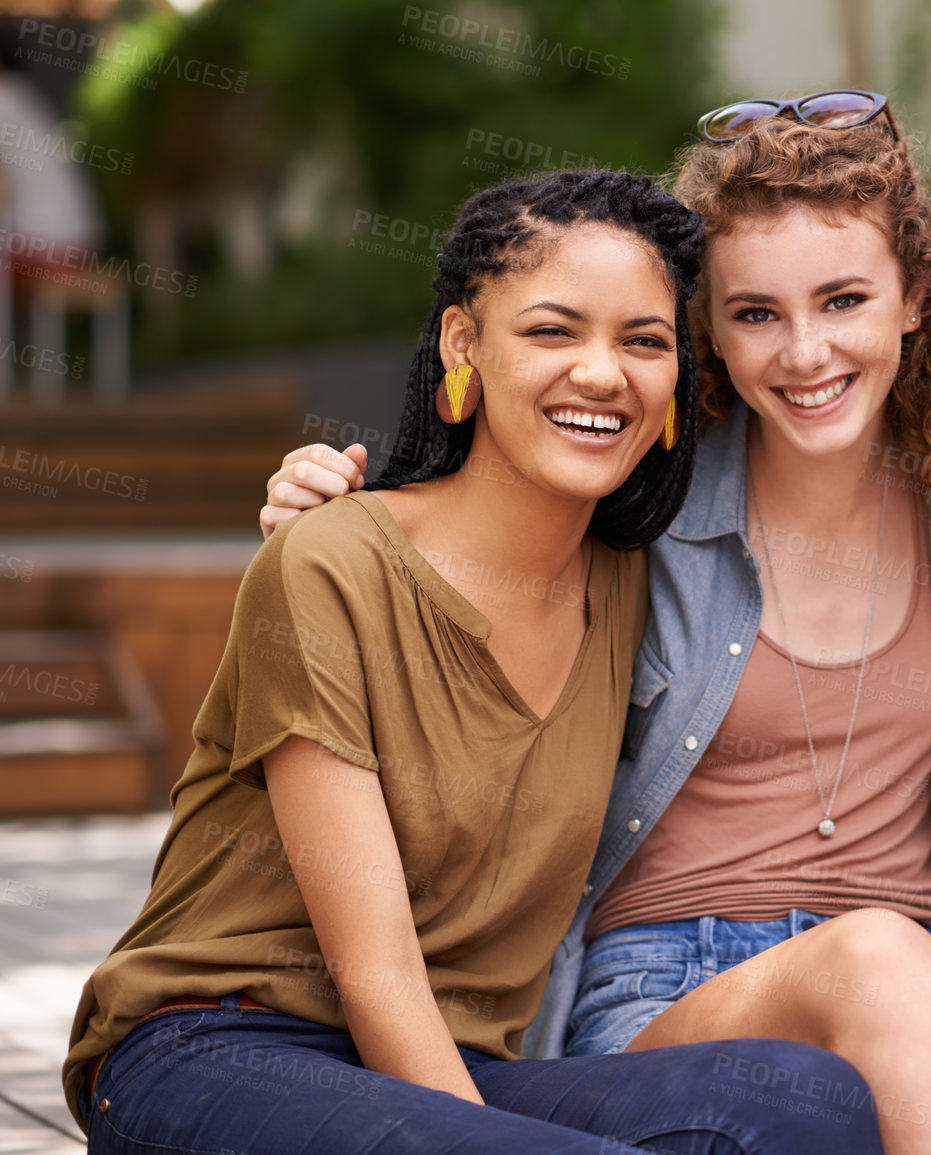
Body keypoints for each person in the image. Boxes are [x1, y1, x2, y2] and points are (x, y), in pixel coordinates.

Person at [258, 94, 931, 1155]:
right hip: (668, 983)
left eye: (845, 300)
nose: (805, 353)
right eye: (755, 312)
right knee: (879, 960)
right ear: (707, 327)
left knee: (894, 963)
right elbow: (446, 544)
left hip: (927, 998)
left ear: (912, 298)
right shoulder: (635, 507)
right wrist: (323, 503)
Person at [64, 168, 884, 1155]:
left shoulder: (631, 581)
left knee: (809, 1099)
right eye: (552, 331)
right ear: (465, 345)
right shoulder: (333, 563)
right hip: (216, 1049)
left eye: (645, 341)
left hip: (459, 1072)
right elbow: (374, 972)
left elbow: (813, 402)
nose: (602, 373)